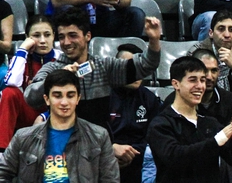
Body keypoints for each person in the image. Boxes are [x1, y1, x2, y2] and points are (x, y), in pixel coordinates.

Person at [0, 69, 122, 183]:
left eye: (70, 95)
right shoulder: (24, 138)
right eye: (57, 95)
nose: (64, 102)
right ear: (46, 99)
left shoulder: (98, 136)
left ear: (78, 98)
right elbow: (1, 176)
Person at [24, 7, 162, 128]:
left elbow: (146, 65)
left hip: (99, 143)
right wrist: (57, 79)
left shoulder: (104, 66)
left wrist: (154, 40)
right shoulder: (51, 68)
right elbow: (30, 97)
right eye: (61, 37)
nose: (66, 42)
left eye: (72, 35)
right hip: (64, 142)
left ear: (88, 36)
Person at [1, 16, 63, 150]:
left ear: (54, 36)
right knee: (9, 93)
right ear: (27, 37)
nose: (42, 40)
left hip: (54, 113)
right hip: (28, 112)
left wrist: (45, 115)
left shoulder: (61, 59)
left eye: (47, 35)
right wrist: (23, 49)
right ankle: (2, 150)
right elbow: (11, 81)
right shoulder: (22, 58)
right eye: (36, 35)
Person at [107, 43, 162, 183]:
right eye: (130, 67)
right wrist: (111, 150)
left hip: (141, 163)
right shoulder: (102, 97)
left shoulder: (149, 99)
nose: (136, 73)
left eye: (139, 67)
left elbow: (156, 138)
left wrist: (131, 153)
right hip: (106, 163)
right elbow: (92, 137)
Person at [45, 0, 145, 38]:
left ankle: (125, 56)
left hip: (100, 19)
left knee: (136, 15)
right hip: (72, 19)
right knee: (66, 9)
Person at [189, 10, 232, 100]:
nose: (227, 35)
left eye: (231, 30)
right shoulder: (197, 53)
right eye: (221, 29)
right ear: (211, 33)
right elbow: (190, 88)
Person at [164, 48, 232, 126]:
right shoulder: (171, 103)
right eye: (205, 71)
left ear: (219, 72)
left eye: (214, 70)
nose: (209, 77)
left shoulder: (230, 99)